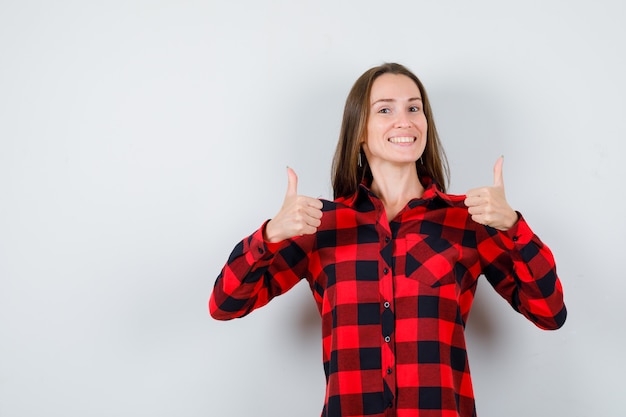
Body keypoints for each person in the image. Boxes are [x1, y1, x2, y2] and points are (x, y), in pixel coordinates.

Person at [209, 63, 566, 417]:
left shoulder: (469, 220)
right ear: (359, 130)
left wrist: (514, 228)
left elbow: (549, 313)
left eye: (414, 108)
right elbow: (225, 305)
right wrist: (270, 234)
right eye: (385, 109)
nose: (405, 120)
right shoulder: (319, 225)